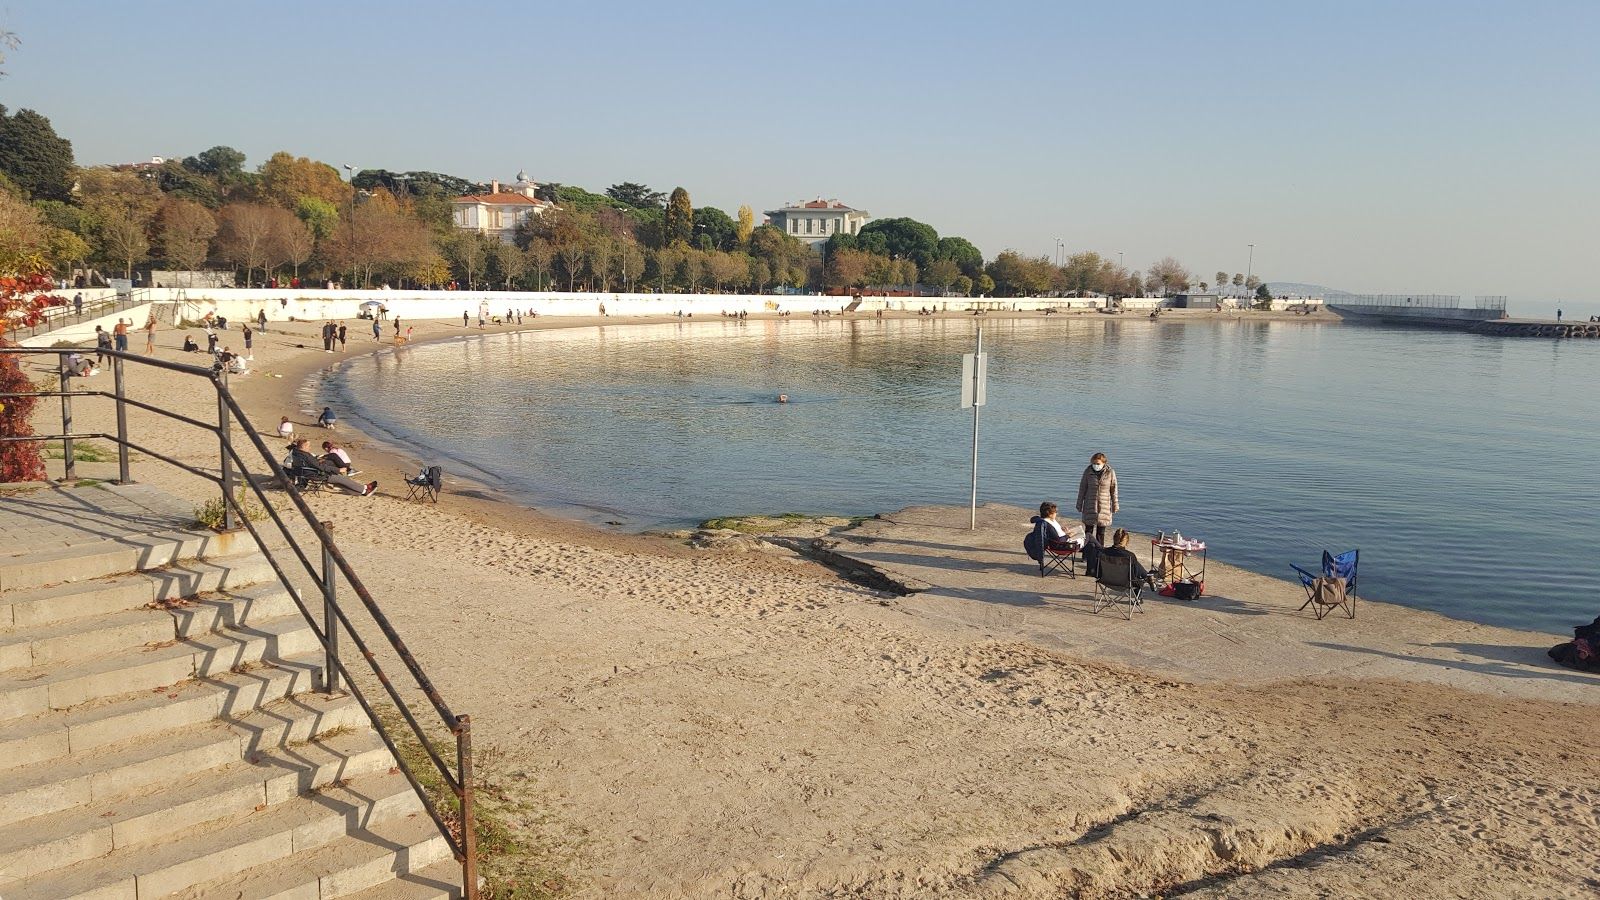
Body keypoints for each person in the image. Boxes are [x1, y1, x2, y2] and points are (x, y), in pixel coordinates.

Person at [285, 438, 376, 496]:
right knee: (342, 479)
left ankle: (361, 489)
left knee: (340, 481)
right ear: (304, 446)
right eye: (308, 446)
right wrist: (338, 469)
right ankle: (364, 490)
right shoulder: (306, 456)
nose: (310, 448)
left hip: (306, 473)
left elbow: (314, 464)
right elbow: (320, 467)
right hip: (317, 474)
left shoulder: (296, 453)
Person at [1075, 452, 1118, 546]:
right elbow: (1082, 488)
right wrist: (1079, 504)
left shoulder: (1110, 473)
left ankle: (1099, 554)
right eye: (1094, 463)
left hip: (1104, 506)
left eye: (1098, 464)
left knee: (1101, 532)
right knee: (1088, 531)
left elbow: (1114, 490)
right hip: (1090, 505)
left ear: (1104, 463)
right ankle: (1086, 554)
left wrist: (1115, 505)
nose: (1095, 465)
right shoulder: (1088, 471)